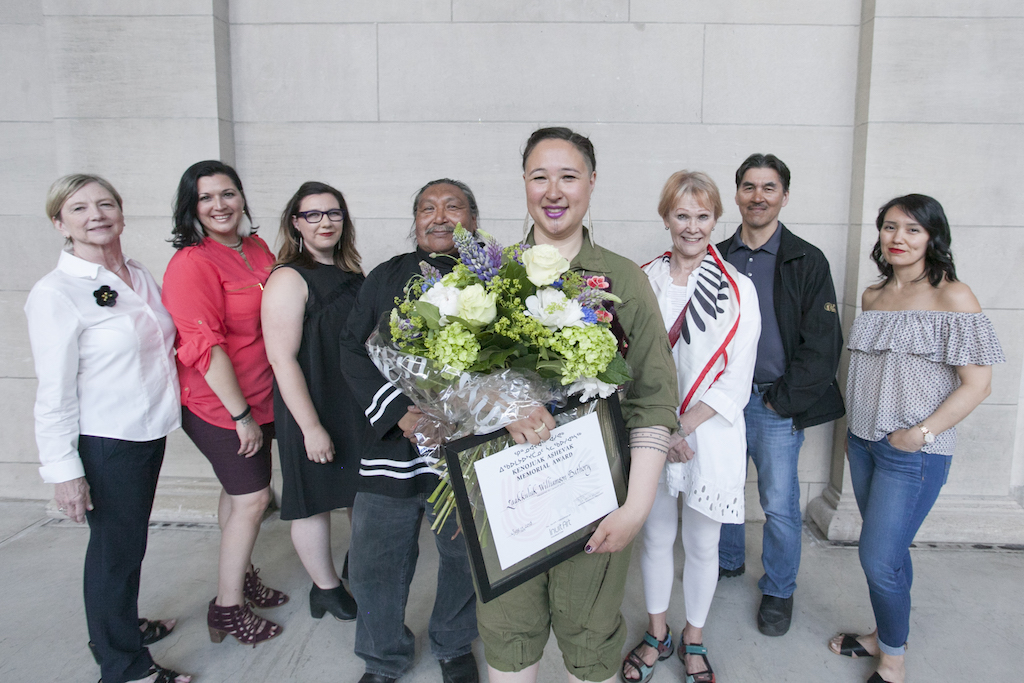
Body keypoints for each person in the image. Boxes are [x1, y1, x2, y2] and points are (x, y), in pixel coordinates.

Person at [475, 127, 678, 683]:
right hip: (508, 493)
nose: (554, 190)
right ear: (523, 184)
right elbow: (455, 386)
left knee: (590, 638)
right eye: (540, 176)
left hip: (596, 497)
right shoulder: (487, 280)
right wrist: (499, 401)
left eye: (568, 176)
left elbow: (654, 399)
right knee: (508, 633)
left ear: (592, 182)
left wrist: (635, 507)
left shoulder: (623, 280)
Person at [828, 194, 1003, 683]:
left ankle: (894, 660)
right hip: (863, 446)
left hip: (914, 454)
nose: (898, 238)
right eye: (889, 227)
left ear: (932, 237)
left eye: (912, 229)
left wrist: (919, 434)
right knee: (890, 553)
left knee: (878, 558)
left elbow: (979, 384)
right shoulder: (873, 296)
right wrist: (854, 434)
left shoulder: (954, 296)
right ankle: (881, 635)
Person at [25, 174, 191, 683]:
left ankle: (118, 627)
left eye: (104, 204)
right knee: (114, 554)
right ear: (60, 223)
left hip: (148, 431)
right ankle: (123, 667)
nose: (94, 215)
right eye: (78, 208)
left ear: (121, 212)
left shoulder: (136, 274)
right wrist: (64, 472)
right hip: (106, 442)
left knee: (128, 542)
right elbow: (53, 391)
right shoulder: (56, 293)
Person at [339, 179, 483, 683]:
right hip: (393, 446)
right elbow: (354, 350)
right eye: (427, 207)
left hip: (463, 449)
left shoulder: (497, 278)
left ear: (474, 219)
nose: (439, 216)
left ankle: (453, 642)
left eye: (453, 207)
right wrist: (401, 412)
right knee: (376, 560)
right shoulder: (385, 276)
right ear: (415, 220)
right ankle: (383, 656)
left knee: (465, 554)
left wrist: (466, 414)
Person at [623, 171, 761, 683]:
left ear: (716, 219)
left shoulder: (740, 289)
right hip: (652, 430)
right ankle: (657, 631)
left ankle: (694, 637)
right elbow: (624, 363)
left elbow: (737, 377)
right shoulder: (642, 279)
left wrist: (684, 428)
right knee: (655, 537)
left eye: (703, 216)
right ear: (666, 219)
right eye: (682, 215)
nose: (693, 226)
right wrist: (662, 430)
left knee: (703, 545)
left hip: (710, 433)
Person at [716, 153, 845, 636]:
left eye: (769, 188)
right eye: (749, 187)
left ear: (784, 196)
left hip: (774, 401)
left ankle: (778, 590)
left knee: (780, 504)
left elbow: (822, 343)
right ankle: (727, 562)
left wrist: (781, 402)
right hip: (722, 402)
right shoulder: (718, 256)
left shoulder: (807, 260)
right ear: (737, 195)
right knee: (721, 488)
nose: (758, 196)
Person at [162, 160, 286, 646]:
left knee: (236, 494)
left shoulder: (254, 247)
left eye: (228, 193)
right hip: (220, 406)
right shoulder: (192, 263)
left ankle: (244, 573)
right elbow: (204, 350)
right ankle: (228, 607)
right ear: (191, 208)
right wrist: (240, 418)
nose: (220, 205)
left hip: (263, 396)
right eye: (207, 197)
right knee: (253, 498)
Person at [261, 181, 365, 622]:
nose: (325, 222)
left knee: (359, 495)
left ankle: (354, 565)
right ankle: (325, 588)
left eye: (334, 213)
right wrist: (311, 427)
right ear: (295, 223)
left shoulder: (353, 274)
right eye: (314, 214)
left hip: (353, 406)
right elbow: (282, 359)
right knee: (314, 500)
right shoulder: (288, 277)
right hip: (313, 405)